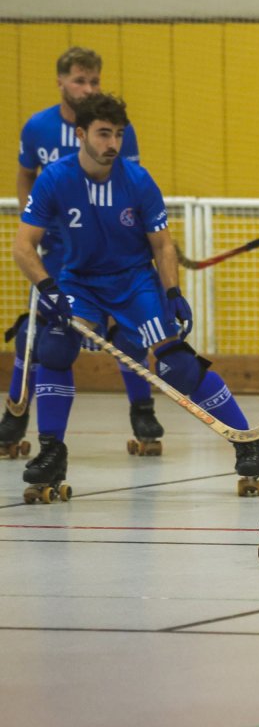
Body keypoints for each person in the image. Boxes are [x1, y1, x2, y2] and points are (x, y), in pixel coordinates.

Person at [13, 93, 259, 496]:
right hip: (80, 283)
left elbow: (163, 245)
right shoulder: (55, 179)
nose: (111, 143)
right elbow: (23, 246)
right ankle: (52, 451)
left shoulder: (138, 180)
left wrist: (172, 292)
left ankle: (246, 440)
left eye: (117, 134)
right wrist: (49, 289)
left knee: (178, 365)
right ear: (81, 134)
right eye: (102, 134)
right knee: (55, 347)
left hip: (134, 284)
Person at [2, 47, 163, 457]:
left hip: (105, 248)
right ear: (60, 81)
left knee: (128, 332)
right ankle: (17, 417)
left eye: (93, 80)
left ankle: (141, 410)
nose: (87, 87)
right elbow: (25, 175)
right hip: (56, 249)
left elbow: (127, 187)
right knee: (39, 335)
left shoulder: (115, 130)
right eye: (79, 80)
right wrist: (33, 220)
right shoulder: (37, 127)